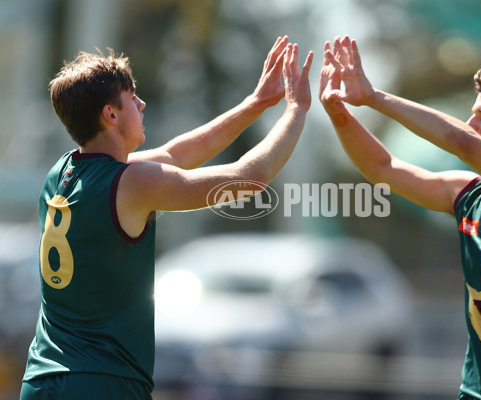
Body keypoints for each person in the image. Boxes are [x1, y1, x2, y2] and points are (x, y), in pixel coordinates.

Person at [21, 36, 313, 400]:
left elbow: (178, 154)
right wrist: (296, 110)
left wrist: (255, 103)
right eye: (132, 99)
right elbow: (249, 177)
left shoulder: (62, 172)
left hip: (41, 380)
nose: (142, 104)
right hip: (101, 383)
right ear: (110, 115)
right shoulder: (132, 183)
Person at [319, 35, 481, 400]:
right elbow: (382, 168)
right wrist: (339, 114)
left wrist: (374, 97)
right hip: (476, 391)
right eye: (471, 114)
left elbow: (463, 144)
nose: (471, 123)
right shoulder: (469, 194)